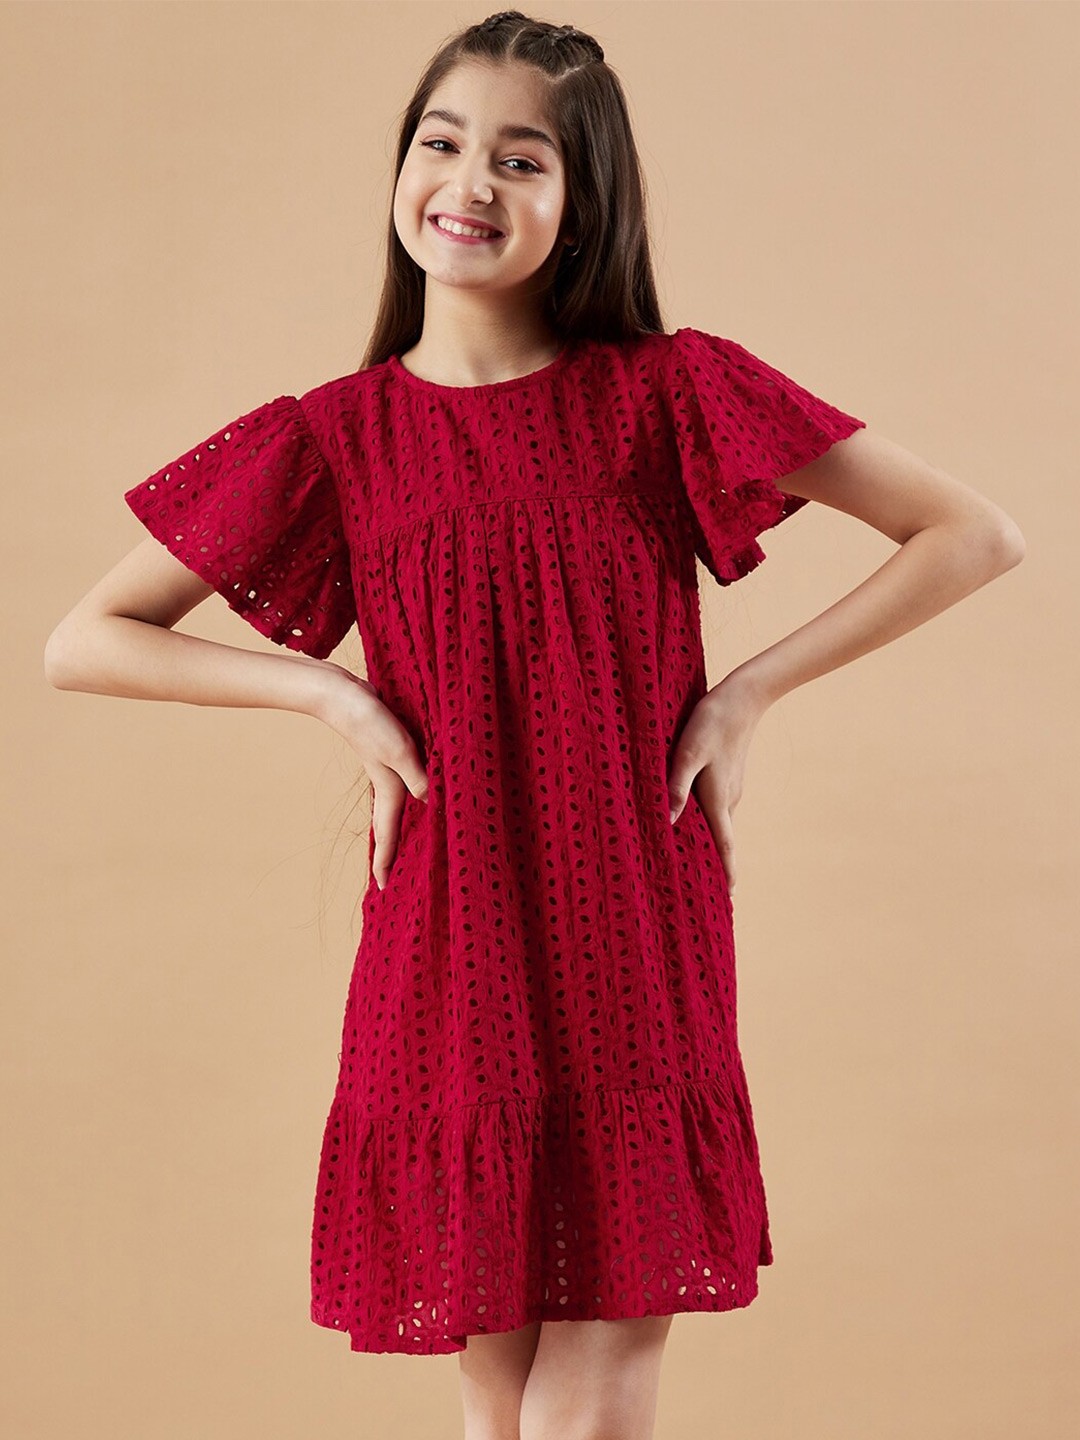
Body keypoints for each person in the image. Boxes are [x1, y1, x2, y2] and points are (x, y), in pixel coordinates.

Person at [44, 10, 1025, 1440]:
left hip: (630, 914)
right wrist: (328, 691)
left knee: (594, 1376)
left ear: (583, 201)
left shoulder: (666, 394)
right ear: (401, 167)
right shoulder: (335, 438)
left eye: (522, 159)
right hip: (448, 930)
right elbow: (84, 641)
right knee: (495, 1390)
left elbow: (971, 534)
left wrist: (747, 693)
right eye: (442, 143)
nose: (470, 183)